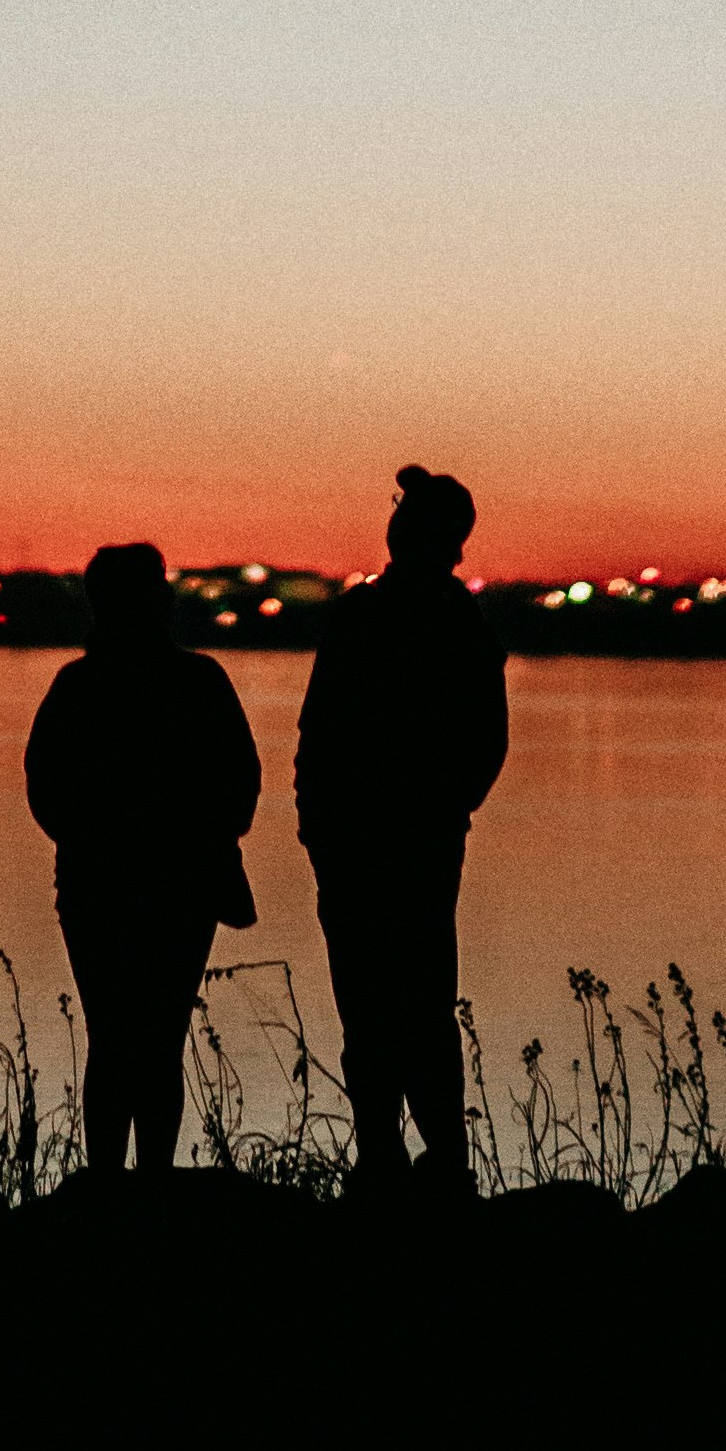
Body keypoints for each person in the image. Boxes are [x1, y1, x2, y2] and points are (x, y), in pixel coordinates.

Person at [294, 464, 507, 1190]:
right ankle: (422, 1159)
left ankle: (403, 1157)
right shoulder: (457, 622)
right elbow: (485, 745)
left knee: (378, 1003)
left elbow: (318, 733)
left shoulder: (375, 617)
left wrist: (321, 820)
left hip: (379, 839)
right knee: (415, 1003)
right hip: (402, 839)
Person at [23, 541, 262, 1176]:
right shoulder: (200, 681)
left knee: (115, 1041)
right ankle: (150, 1182)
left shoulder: (78, 686)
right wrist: (203, 836)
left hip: (96, 887)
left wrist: (87, 841)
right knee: (158, 1042)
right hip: (180, 887)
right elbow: (243, 783)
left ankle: (109, 1186)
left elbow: (43, 787)